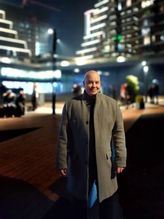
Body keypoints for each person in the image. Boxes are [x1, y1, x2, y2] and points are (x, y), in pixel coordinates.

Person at [56, 70, 127, 219]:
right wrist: (62, 161)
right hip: (79, 163)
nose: (93, 85)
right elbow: (63, 137)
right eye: (90, 82)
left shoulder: (112, 105)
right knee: (78, 203)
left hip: (105, 163)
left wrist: (120, 159)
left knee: (108, 202)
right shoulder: (70, 106)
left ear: (100, 84)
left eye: (96, 82)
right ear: (84, 84)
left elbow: (119, 134)